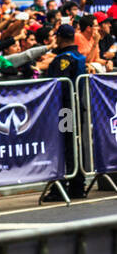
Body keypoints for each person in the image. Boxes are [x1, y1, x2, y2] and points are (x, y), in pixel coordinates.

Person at [45, 24, 89, 201]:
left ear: (60, 38)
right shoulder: (79, 57)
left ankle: (61, 188)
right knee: (76, 144)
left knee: (65, 146)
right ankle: (78, 185)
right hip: (78, 107)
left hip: (65, 110)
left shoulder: (63, 59)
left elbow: (60, 85)